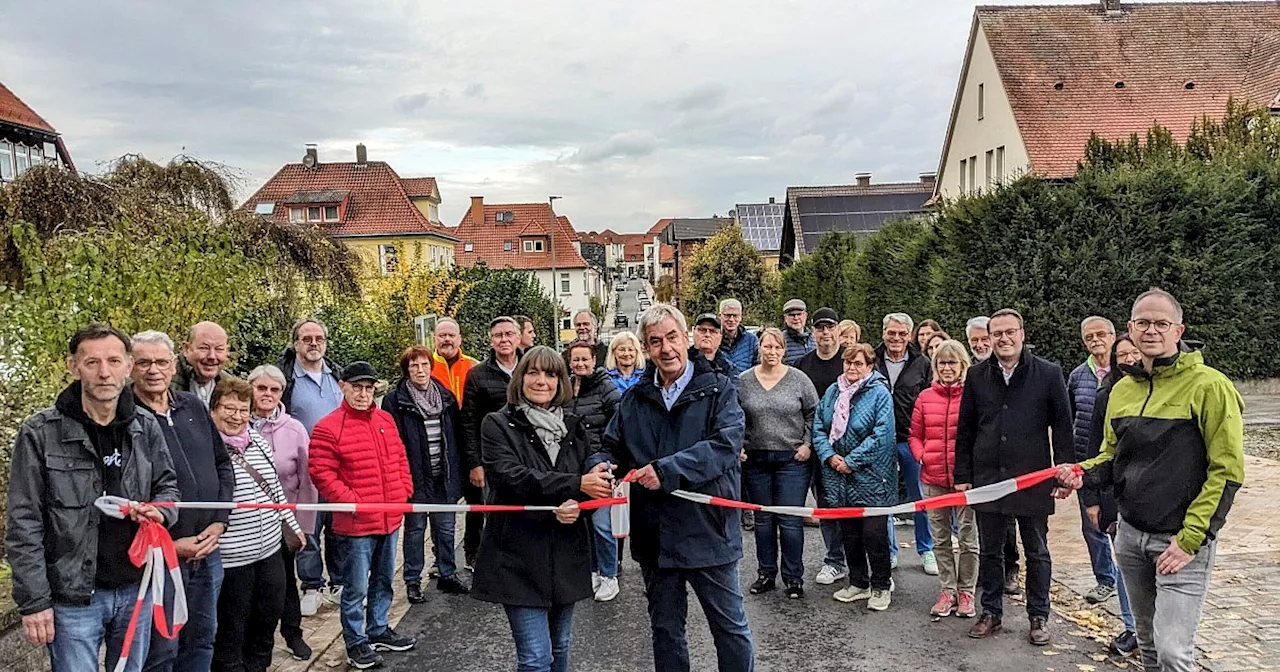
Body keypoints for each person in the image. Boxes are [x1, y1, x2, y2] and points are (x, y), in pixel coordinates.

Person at [1059, 289, 1245, 670]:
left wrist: (1192, 538)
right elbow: (1112, 455)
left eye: (1162, 323)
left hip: (1180, 541)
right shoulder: (1122, 388)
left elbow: (1226, 472)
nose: (1152, 330)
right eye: (1143, 323)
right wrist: (1081, 474)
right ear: (1130, 328)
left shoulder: (1210, 386)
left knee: (1173, 652)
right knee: (1146, 646)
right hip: (1130, 536)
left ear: (1179, 330)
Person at [7, 324, 179, 672]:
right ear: (73, 366)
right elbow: (23, 524)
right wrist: (34, 602)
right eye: (92, 362)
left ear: (128, 366)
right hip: (73, 598)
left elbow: (168, 488)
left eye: (114, 361)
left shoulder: (145, 427)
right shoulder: (40, 433)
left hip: (137, 588)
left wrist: (160, 513)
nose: (104, 372)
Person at [600, 303, 755, 672]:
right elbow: (612, 446)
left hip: (708, 530)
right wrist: (601, 468)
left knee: (729, 629)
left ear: (687, 339)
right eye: (655, 342)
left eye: (672, 337)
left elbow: (725, 446)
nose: (666, 348)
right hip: (655, 535)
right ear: (645, 348)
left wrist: (667, 471)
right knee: (666, 631)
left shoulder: (719, 389)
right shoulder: (634, 400)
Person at [471, 346, 614, 672]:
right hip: (518, 558)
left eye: (550, 374)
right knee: (535, 658)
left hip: (565, 557)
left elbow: (590, 490)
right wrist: (575, 486)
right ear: (520, 378)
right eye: (533, 372)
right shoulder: (496, 424)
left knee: (560, 648)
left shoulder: (575, 426)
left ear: (561, 381)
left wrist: (579, 506)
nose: (541, 381)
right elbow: (511, 478)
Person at [954, 309, 1073, 646]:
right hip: (988, 478)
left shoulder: (1048, 373)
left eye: (1010, 332)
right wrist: (963, 475)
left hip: (1033, 477)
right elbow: (965, 430)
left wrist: (1064, 471)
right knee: (991, 551)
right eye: (997, 333)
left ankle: (1039, 616)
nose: (1004, 339)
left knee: (1036, 551)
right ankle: (990, 612)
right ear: (989, 337)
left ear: (1022, 333)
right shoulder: (977, 375)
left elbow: (1063, 427)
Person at [132, 331, 234, 672]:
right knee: (162, 650)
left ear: (174, 364)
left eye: (161, 361)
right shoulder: (125, 420)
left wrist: (220, 521)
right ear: (131, 367)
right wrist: (171, 546)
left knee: (203, 638)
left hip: (209, 551)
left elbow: (222, 464)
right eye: (143, 362)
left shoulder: (192, 406)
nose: (153, 370)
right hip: (161, 558)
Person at [309, 362, 417, 669]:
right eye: (357, 387)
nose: (363, 393)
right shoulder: (329, 427)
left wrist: (403, 490)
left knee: (384, 580)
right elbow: (321, 473)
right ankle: (356, 642)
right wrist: (352, 501)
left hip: (389, 517)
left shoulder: (385, 420)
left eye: (369, 388)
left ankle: (378, 628)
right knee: (355, 588)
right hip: (356, 524)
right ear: (343, 386)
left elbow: (399, 458)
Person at [209, 378, 306, 672]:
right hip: (232, 559)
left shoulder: (257, 441)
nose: (236, 416)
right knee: (231, 633)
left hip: (269, 553)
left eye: (242, 409)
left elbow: (275, 491)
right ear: (213, 409)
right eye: (228, 408)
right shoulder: (207, 449)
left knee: (265, 627)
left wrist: (293, 525)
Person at [812, 343, 897, 612]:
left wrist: (851, 461)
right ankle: (858, 582)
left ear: (870, 367)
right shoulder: (832, 392)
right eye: (848, 362)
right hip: (839, 477)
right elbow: (818, 428)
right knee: (849, 534)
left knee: (874, 535)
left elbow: (882, 434)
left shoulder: (880, 393)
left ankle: (881, 585)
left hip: (871, 477)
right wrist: (830, 457)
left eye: (859, 364)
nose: (852, 368)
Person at [383, 346, 469, 603]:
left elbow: (456, 438)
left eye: (424, 365)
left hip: (443, 477)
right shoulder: (394, 401)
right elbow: (391, 443)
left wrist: (458, 475)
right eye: (414, 366)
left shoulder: (446, 397)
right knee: (415, 530)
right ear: (406, 370)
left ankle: (447, 574)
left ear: (431, 367)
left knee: (446, 529)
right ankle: (412, 580)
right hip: (414, 478)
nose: (420, 371)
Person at [739, 328, 819, 599]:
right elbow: (734, 416)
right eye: (767, 347)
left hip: (792, 460)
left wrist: (808, 444)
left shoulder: (799, 379)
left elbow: (813, 413)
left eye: (777, 347)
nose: (772, 352)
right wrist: (738, 444)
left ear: (784, 350)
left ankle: (794, 577)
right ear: (759, 348)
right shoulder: (744, 381)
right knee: (763, 520)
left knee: (790, 521)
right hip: (756, 459)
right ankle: (766, 573)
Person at [247, 365, 318, 662]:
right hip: (245, 524)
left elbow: (307, 479)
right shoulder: (237, 426)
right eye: (261, 388)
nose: (267, 395)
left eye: (274, 390)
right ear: (250, 389)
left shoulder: (295, 429)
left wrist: (303, 525)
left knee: (286, 583)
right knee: (250, 585)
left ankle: (293, 633)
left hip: (283, 521)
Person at [277, 318, 345, 615]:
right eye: (307, 339)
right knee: (308, 529)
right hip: (303, 470)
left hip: (338, 467)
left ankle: (339, 583)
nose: (313, 343)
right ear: (296, 344)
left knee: (338, 527)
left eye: (319, 338)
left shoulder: (338, 376)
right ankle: (312, 585)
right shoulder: (286, 380)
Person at [909, 340, 978, 619]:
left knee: (968, 538)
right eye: (941, 363)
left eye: (952, 363)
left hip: (965, 481)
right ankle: (947, 589)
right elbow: (914, 434)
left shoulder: (973, 396)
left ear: (962, 365)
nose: (946, 368)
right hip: (933, 477)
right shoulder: (925, 397)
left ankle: (967, 592)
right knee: (940, 538)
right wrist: (921, 455)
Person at [1082, 334, 1142, 655]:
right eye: (1123, 354)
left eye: (1134, 351)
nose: (1130, 358)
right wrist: (1093, 498)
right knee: (1125, 563)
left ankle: (1151, 628)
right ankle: (1132, 626)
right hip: (1115, 492)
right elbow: (1096, 448)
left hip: (1153, 496)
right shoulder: (1109, 394)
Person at [1066, 316, 1122, 607]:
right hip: (1086, 462)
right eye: (1089, 336)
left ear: (1113, 336)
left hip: (1118, 463)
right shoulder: (1077, 376)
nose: (1096, 340)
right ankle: (1105, 580)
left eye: (1101, 334)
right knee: (1092, 524)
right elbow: (1070, 417)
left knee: (1119, 526)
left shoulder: (1127, 372)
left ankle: (1127, 582)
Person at [460, 317, 524, 570]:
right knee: (489, 511)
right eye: (498, 335)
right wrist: (474, 463)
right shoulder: (477, 375)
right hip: (490, 459)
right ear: (491, 340)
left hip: (524, 454)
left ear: (518, 338)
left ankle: (519, 557)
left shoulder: (531, 367)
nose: (504, 339)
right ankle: (480, 558)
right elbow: (468, 423)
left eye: (509, 334)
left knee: (522, 510)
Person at [875, 313, 935, 575]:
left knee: (919, 496)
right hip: (879, 441)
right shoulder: (872, 359)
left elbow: (931, 401)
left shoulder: (922, 363)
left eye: (901, 333)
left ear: (909, 335)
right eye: (891, 333)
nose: (896, 338)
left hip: (911, 440)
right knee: (883, 498)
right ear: (883, 333)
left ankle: (926, 549)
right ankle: (889, 551)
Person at [967, 314, 1022, 594]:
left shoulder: (1031, 370)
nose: (980, 344)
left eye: (982, 339)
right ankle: (990, 584)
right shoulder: (974, 374)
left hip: (1017, 463)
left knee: (1010, 524)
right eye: (974, 340)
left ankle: (1011, 568)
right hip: (984, 463)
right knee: (986, 527)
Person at [566, 339, 623, 602]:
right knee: (583, 523)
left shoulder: (605, 386)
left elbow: (622, 419)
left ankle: (609, 575)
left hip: (601, 461)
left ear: (594, 360)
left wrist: (614, 457)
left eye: (584, 359)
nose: (580, 364)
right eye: (575, 359)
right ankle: (591, 571)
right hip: (572, 463)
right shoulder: (564, 386)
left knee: (601, 523)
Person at [795, 307, 848, 586]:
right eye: (820, 328)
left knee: (858, 507)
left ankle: (871, 559)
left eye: (830, 327)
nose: (825, 333)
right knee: (827, 506)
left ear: (838, 329)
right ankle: (834, 560)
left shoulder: (849, 361)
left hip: (850, 449)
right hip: (818, 448)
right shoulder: (803, 365)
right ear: (813, 332)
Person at [175, 321, 237, 407]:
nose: (212, 356)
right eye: (204, 348)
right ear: (186, 349)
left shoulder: (231, 386)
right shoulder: (165, 381)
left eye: (219, 349)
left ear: (227, 351)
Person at [431, 317, 477, 403]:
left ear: (459, 339)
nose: (447, 339)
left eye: (451, 335)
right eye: (442, 335)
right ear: (434, 340)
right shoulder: (425, 367)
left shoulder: (474, 366)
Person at [718, 298, 759, 373]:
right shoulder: (714, 339)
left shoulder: (752, 340)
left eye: (735, 316)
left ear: (741, 317)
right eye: (728, 315)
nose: (731, 319)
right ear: (720, 316)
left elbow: (759, 367)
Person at [692, 313, 737, 378]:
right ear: (694, 333)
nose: (707, 335)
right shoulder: (682, 362)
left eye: (712, 331)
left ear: (720, 337)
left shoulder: (728, 369)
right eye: (702, 330)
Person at [781, 299, 816, 366]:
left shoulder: (814, 338)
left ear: (805, 316)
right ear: (785, 318)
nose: (796, 318)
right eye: (792, 315)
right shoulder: (781, 340)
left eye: (799, 314)